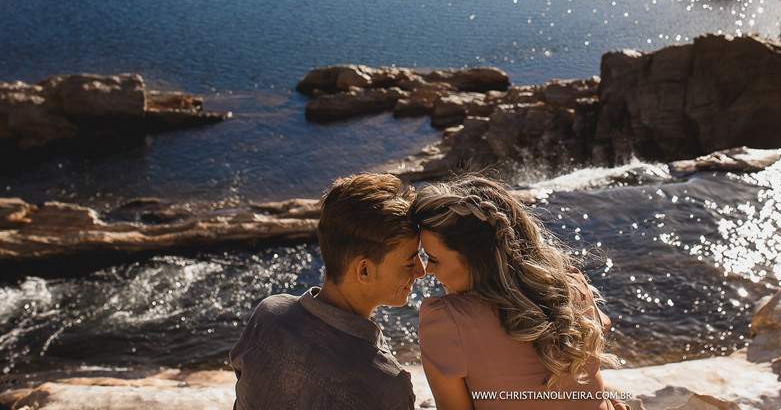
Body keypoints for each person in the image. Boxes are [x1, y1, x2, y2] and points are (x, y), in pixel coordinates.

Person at [410, 175, 626, 410]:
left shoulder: (446, 320)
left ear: (476, 260)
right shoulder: (572, 286)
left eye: (433, 259)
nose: (427, 270)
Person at [230, 173, 424, 410]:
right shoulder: (387, 387)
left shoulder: (268, 315)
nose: (421, 271)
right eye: (410, 261)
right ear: (363, 270)